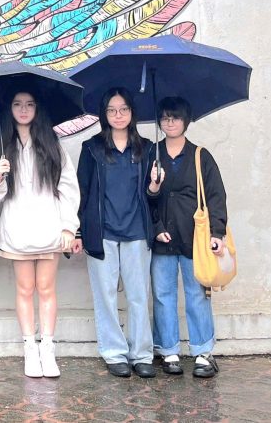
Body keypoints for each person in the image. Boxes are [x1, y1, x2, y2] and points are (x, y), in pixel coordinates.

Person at [0, 91, 80, 378]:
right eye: (17, 104)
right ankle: (30, 348)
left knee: (46, 288)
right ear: (9, 108)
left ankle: (47, 349)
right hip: (17, 227)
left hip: (49, 226)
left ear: (38, 108)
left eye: (29, 104)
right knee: (25, 289)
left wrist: (68, 226)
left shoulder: (52, 143)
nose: (24, 110)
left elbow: (67, 186)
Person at [76, 87, 162, 379]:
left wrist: (154, 185)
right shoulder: (91, 148)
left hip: (137, 230)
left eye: (123, 109)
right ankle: (114, 353)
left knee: (138, 295)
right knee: (106, 296)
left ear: (132, 112)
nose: (118, 115)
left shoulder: (147, 149)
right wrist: (79, 231)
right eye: (112, 110)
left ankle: (141, 354)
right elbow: (83, 191)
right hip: (103, 232)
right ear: (104, 114)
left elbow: (154, 197)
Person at [150, 96, 228, 378]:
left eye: (175, 117)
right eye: (165, 117)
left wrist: (217, 232)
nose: (170, 122)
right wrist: (156, 226)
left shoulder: (200, 156)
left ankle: (203, 352)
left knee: (197, 295)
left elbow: (216, 196)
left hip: (195, 238)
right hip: (163, 238)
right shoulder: (152, 155)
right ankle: (168, 350)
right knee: (163, 295)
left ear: (186, 121)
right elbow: (144, 198)